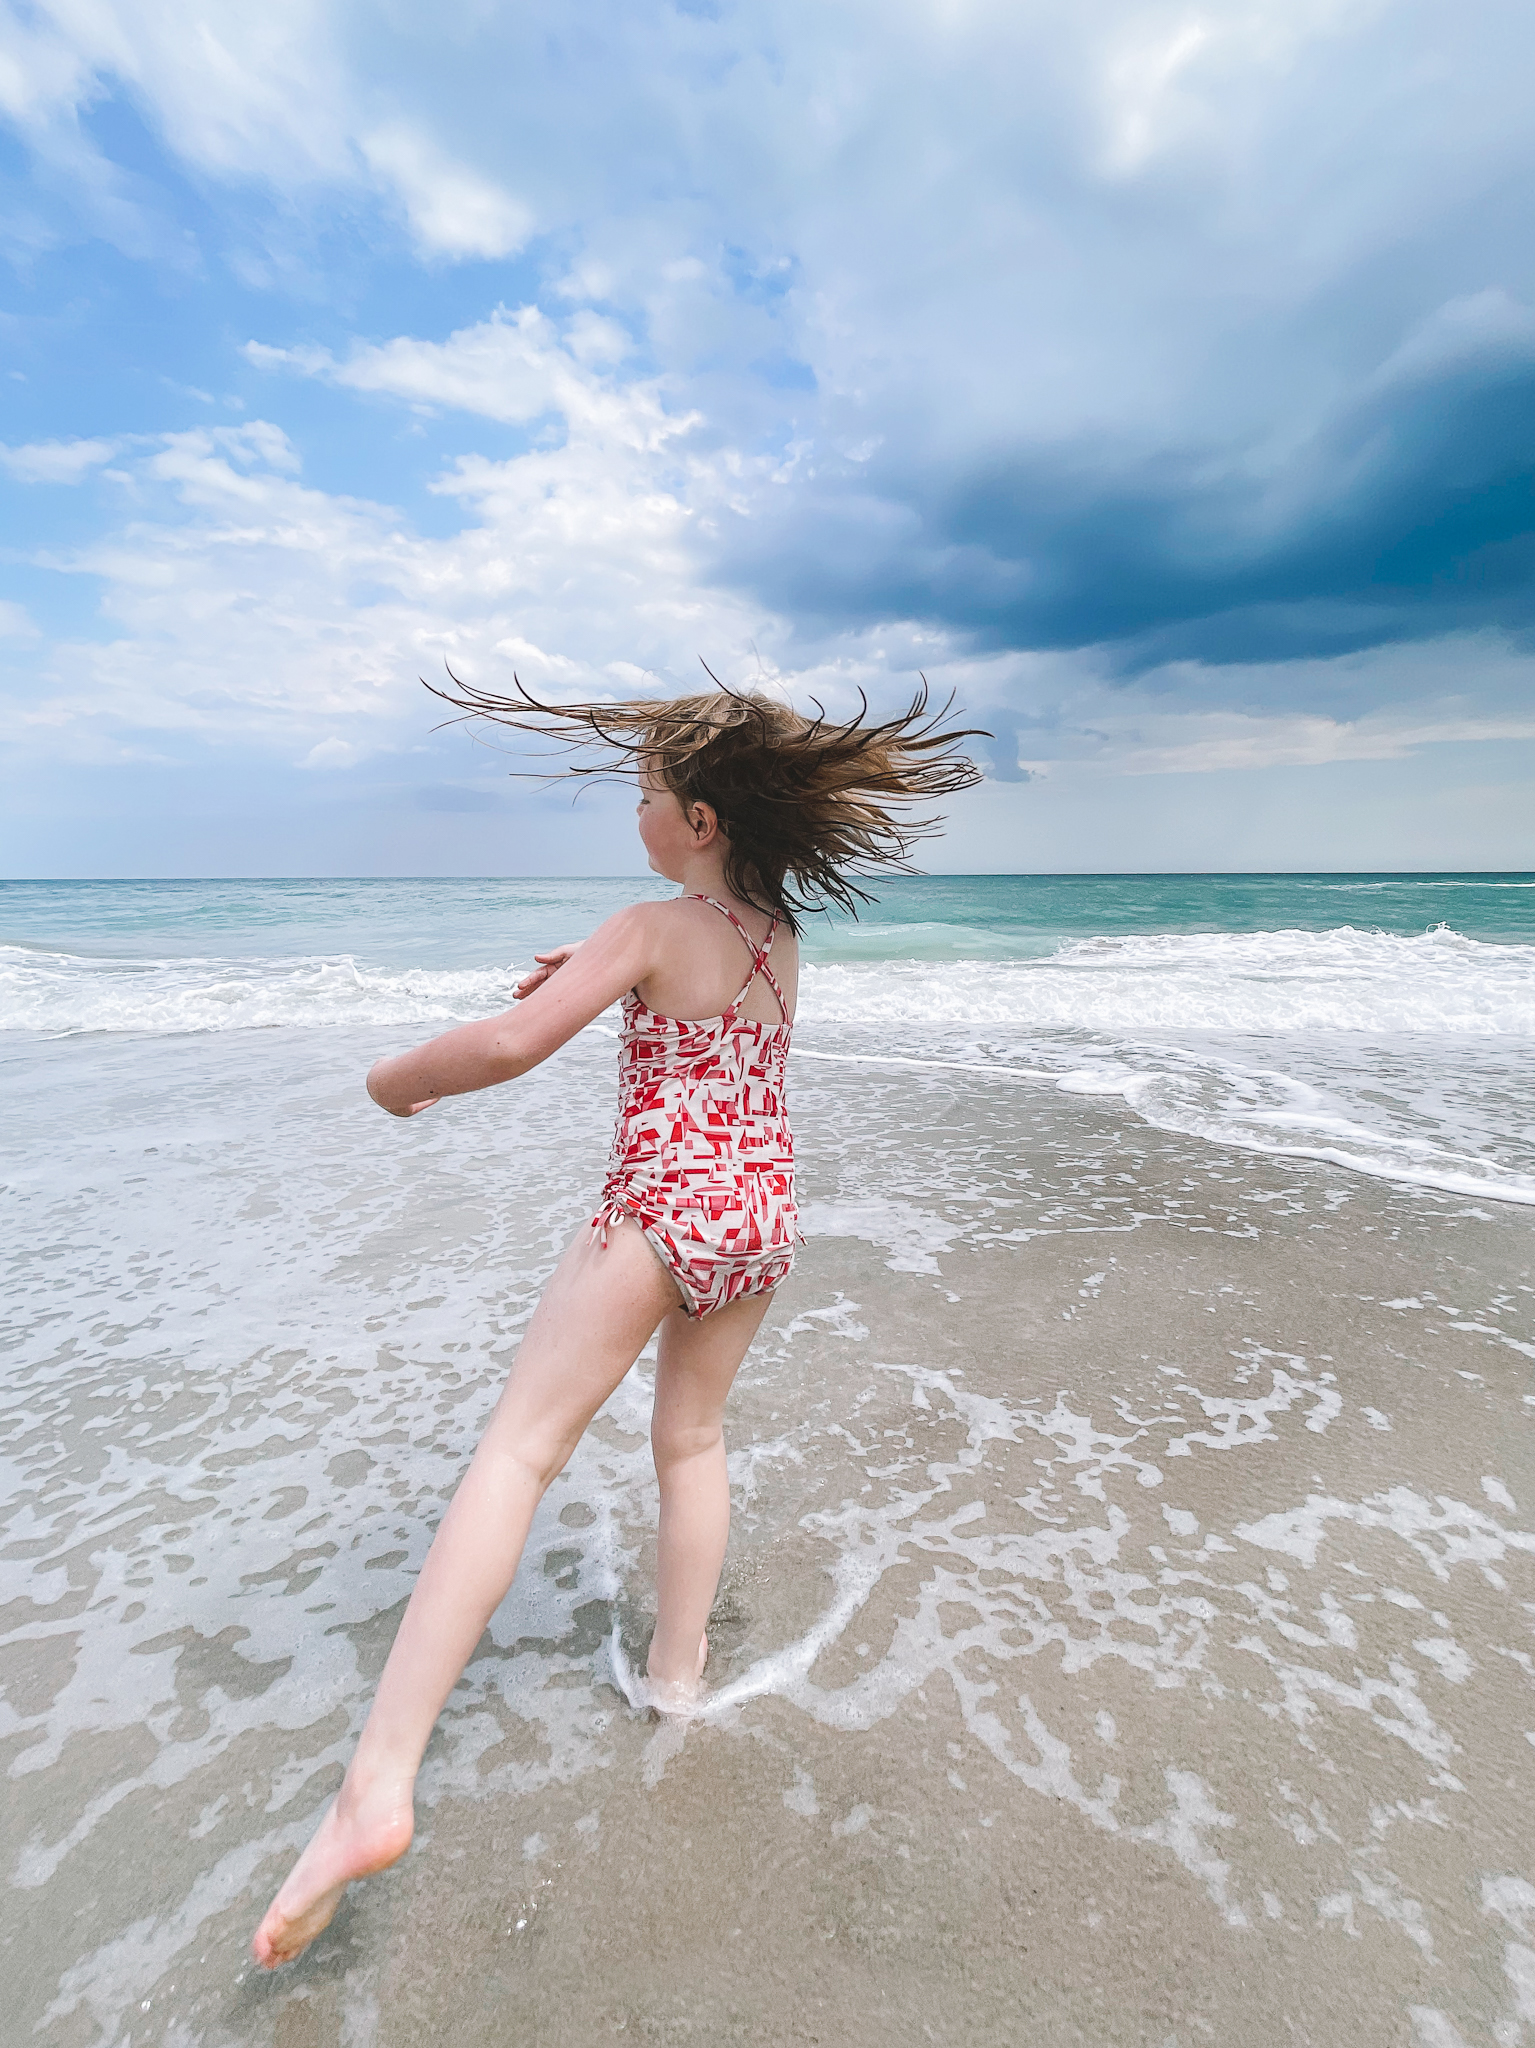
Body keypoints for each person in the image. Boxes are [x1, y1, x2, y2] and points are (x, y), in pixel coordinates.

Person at [251, 680, 982, 1968]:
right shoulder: (776, 935)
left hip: (658, 1207)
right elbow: (701, 1026)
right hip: (762, 1214)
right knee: (690, 1443)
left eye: (645, 793)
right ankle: (680, 1684)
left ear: (696, 816)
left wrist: (394, 1082)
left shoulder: (649, 919)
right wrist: (598, 973)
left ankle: (376, 1788)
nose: (633, 810)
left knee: (519, 1451)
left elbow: (511, 1046)